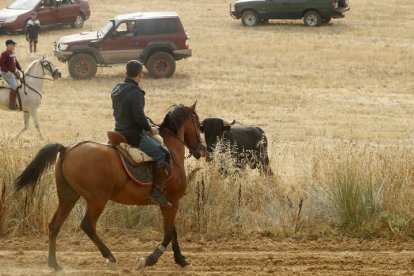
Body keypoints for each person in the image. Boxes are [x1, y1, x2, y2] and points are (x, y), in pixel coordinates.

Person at [111, 60, 172, 208]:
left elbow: (124, 113)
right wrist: (150, 129)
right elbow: (138, 118)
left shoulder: (117, 89)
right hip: (133, 135)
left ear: (126, 73)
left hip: (119, 130)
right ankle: (157, 192)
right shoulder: (136, 93)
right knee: (163, 154)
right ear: (140, 74)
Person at [0, 39, 22, 110]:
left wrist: (20, 69)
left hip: (13, 72)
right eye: (13, 44)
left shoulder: (12, 52)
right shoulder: (5, 53)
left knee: (21, 79)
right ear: (8, 45)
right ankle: (12, 104)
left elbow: (16, 62)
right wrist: (7, 71)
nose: (14, 46)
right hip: (6, 73)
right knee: (14, 85)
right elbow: (1, 63)